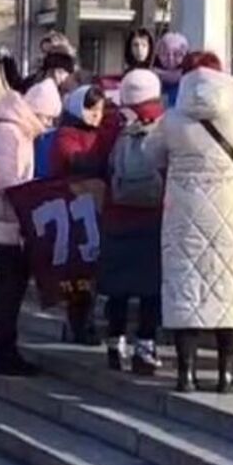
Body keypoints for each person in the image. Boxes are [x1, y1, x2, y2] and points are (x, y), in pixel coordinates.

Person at [145, 64, 233, 394]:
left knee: (184, 288)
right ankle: (226, 374)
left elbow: (150, 153)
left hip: (182, 210)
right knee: (230, 287)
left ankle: (185, 374)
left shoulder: (172, 120)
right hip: (231, 210)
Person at [0, 78, 62, 377]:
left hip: (10, 222)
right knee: (10, 289)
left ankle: (6, 348)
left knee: (12, 290)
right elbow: (9, 181)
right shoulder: (10, 131)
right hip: (6, 223)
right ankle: (4, 351)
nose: (47, 124)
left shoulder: (18, 129)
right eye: (46, 117)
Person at [99, 70, 168, 375]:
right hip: (154, 215)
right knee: (151, 287)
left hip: (117, 215)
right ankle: (146, 347)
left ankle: (115, 345)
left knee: (118, 287)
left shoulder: (114, 122)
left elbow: (104, 162)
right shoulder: (166, 122)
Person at [47, 86, 107, 345]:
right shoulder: (66, 134)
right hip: (73, 210)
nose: (96, 116)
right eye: (90, 109)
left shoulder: (101, 133)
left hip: (97, 208)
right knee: (78, 273)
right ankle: (77, 325)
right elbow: (73, 160)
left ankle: (86, 322)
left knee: (93, 271)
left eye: (100, 110)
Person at [1, 32, 79, 94]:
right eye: (43, 51)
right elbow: (20, 86)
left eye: (48, 52)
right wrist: (8, 61)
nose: (44, 56)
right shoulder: (42, 72)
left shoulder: (61, 68)